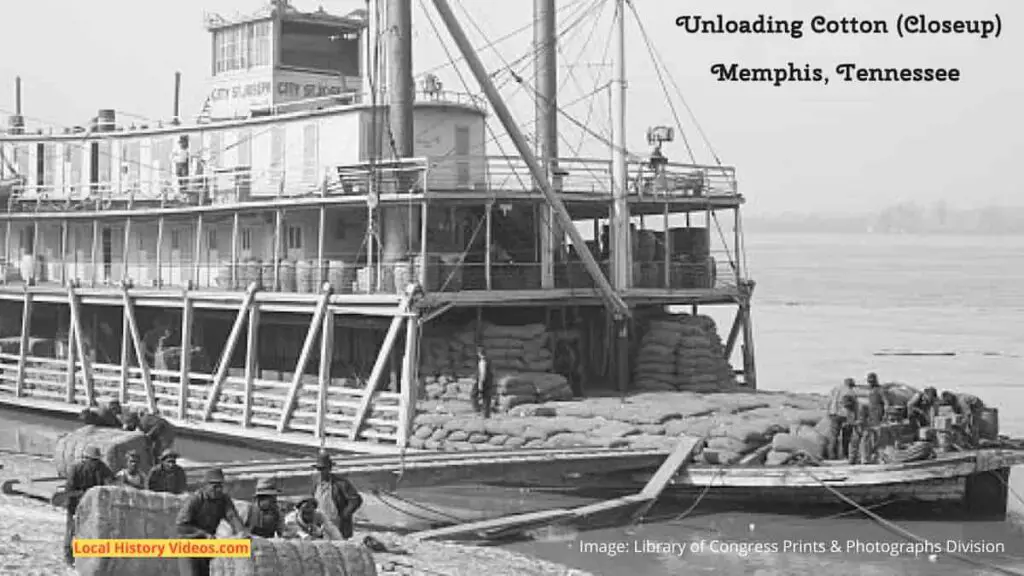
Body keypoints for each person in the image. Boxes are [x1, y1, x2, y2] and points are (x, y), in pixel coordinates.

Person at [176, 468, 248, 576]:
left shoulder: (224, 500)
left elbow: (232, 516)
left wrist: (241, 532)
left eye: (220, 486)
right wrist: (203, 534)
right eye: (214, 486)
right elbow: (181, 526)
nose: (218, 489)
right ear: (205, 486)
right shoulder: (195, 500)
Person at [64, 446, 114, 566]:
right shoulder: (76, 469)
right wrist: (83, 493)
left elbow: (110, 482)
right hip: (76, 505)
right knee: (72, 531)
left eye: (96, 461)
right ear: (86, 459)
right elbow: (69, 490)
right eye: (93, 461)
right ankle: (69, 557)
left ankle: (85, 556)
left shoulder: (102, 468)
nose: (94, 464)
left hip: (94, 506)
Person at [311, 450, 363, 540]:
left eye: (323, 469)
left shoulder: (341, 483)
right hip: (320, 525)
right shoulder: (316, 483)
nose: (321, 472)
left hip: (337, 526)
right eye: (319, 469)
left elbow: (356, 500)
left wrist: (345, 514)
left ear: (329, 468)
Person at [825, 378, 857, 460]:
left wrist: (828, 412)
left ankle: (831, 456)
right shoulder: (849, 391)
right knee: (846, 437)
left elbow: (828, 401)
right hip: (844, 415)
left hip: (833, 414)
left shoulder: (835, 389)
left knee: (833, 436)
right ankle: (844, 455)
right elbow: (848, 404)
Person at [471, 345, 494, 418]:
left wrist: (480, 384)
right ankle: (486, 414)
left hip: (482, 381)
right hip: (488, 381)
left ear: (479, 353)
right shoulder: (489, 360)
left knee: (473, 395)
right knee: (486, 398)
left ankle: (478, 411)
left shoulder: (482, 362)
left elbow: (482, 374)